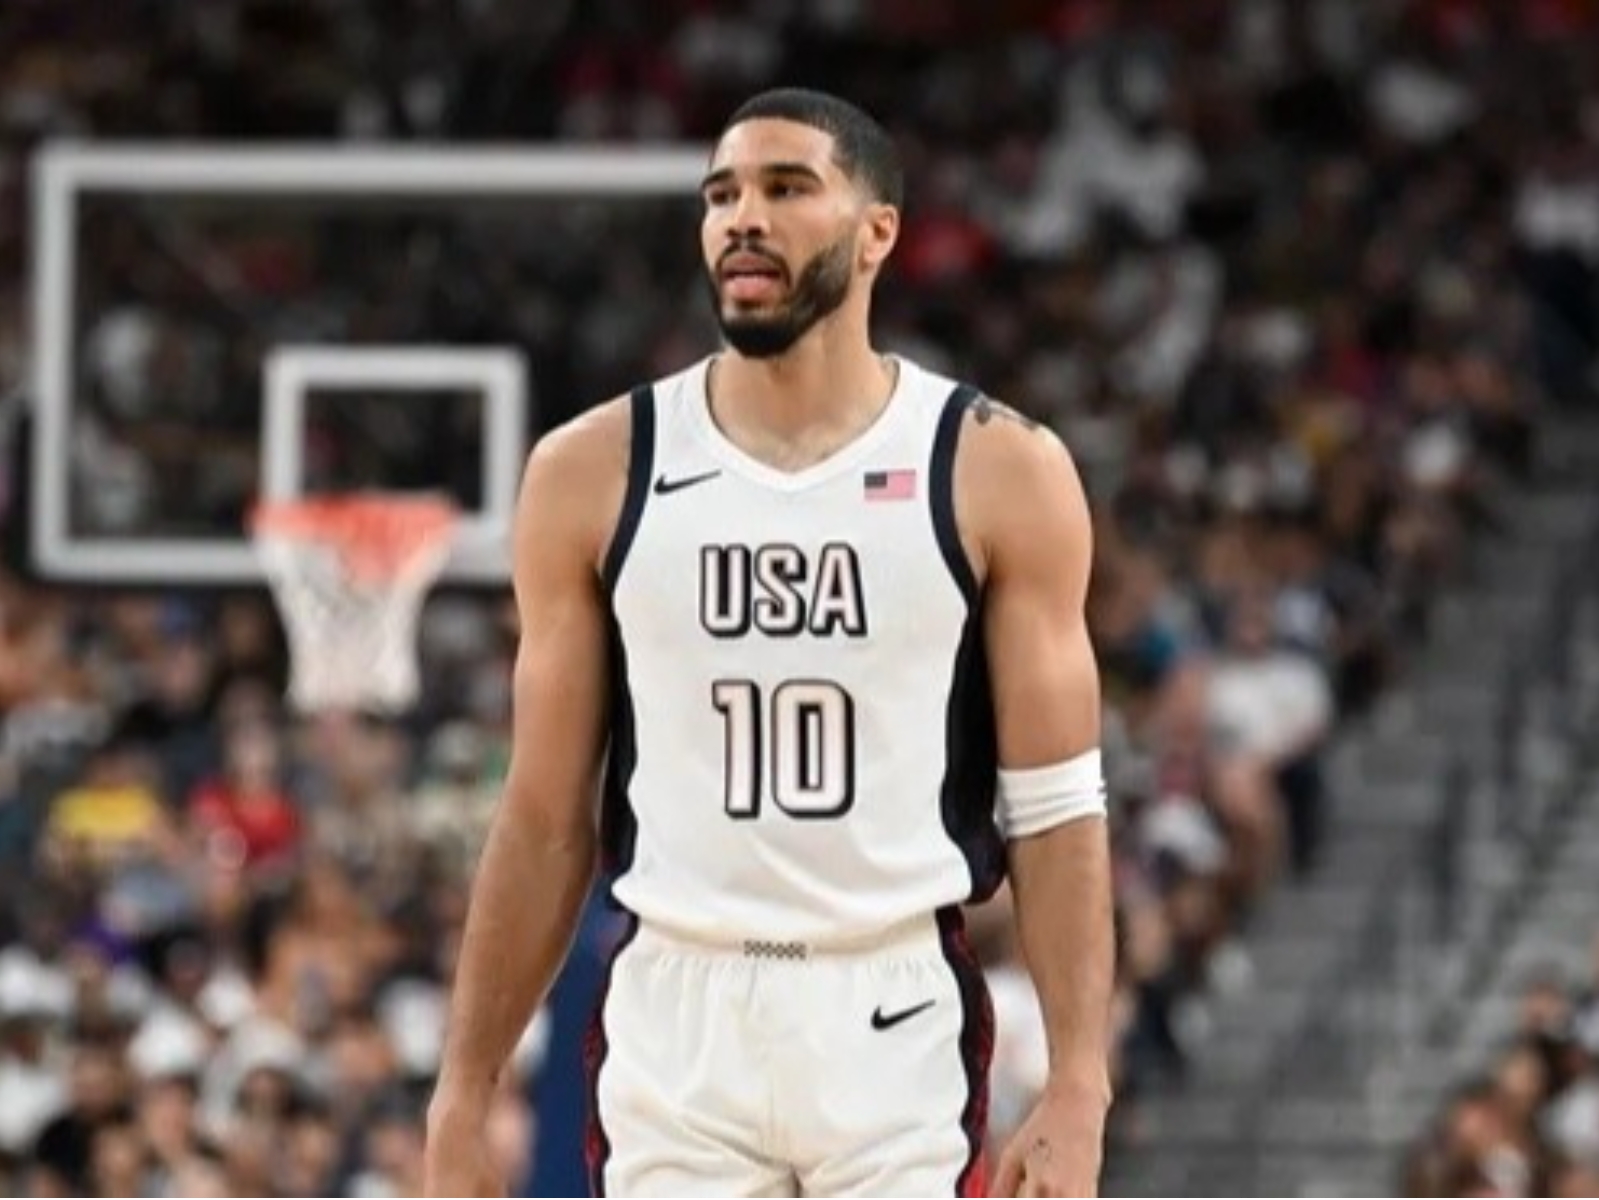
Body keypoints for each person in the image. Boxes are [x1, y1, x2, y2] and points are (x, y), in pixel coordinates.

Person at [425, 87, 1114, 1199]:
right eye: (722, 195)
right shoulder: (593, 469)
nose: (743, 217)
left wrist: (1080, 1078)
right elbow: (544, 816)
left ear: (877, 232)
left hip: (890, 1003)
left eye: (787, 188)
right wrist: (465, 1085)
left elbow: (1057, 805)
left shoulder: (995, 467)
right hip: (677, 1004)